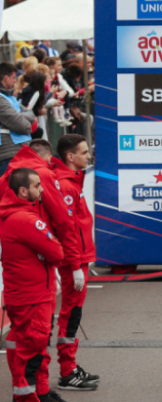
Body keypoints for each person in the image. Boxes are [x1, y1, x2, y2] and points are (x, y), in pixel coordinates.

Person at [0, 167, 67, 402]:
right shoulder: (24, 219)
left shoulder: (14, 214)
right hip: (32, 297)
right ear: (22, 190)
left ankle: (40, 392)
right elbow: (57, 253)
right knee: (31, 353)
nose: (42, 189)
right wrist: (45, 252)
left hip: (26, 295)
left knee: (28, 349)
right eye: (37, 186)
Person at [51, 135, 99, 390]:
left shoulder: (72, 180)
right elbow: (68, 230)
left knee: (72, 314)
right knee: (71, 315)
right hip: (75, 262)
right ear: (70, 157)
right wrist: (75, 265)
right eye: (84, 152)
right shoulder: (66, 185)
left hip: (78, 259)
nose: (88, 156)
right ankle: (67, 372)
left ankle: (69, 366)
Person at [0, 63, 38, 174]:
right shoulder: (1, 99)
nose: (15, 81)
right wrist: (25, 120)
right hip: (9, 154)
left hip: (20, 150)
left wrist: (20, 116)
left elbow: (30, 114)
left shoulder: (9, 97)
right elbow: (22, 125)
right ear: (6, 78)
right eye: (13, 77)